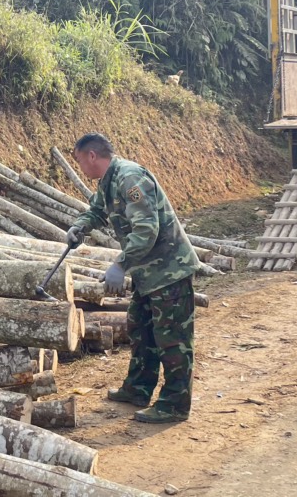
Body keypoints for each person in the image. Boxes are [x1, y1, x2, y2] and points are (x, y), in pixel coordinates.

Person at [67, 133, 199, 424]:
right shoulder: (109, 181)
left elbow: (147, 230)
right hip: (148, 273)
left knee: (173, 340)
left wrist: (120, 264)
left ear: (92, 156)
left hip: (169, 270)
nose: (80, 167)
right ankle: (138, 389)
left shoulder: (130, 178)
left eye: (79, 160)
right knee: (141, 330)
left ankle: (175, 405)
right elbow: (97, 211)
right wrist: (80, 227)